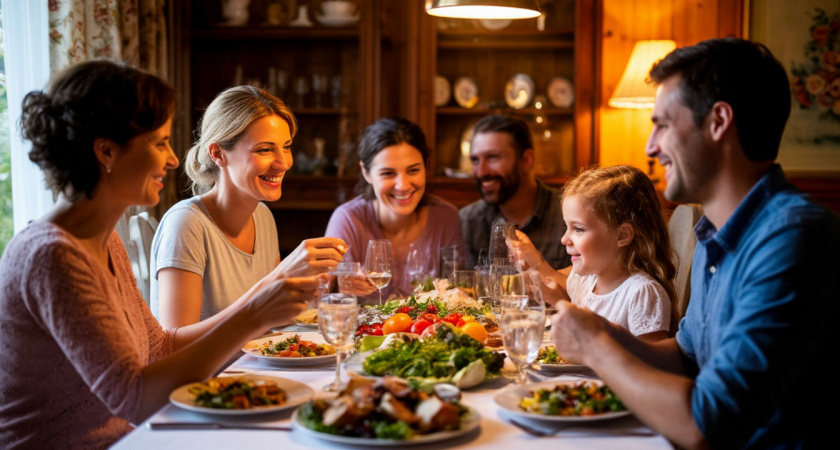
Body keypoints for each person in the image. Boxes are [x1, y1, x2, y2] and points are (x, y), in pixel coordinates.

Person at [0, 60, 320, 449]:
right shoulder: (51, 257)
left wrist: (265, 306)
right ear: (106, 152)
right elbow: (137, 400)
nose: (173, 159)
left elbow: (160, 347)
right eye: (159, 143)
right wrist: (257, 311)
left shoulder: (104, 240)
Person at [549, 38, 840, 449]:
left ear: (718, 121)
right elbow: (686, 357)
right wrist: (607, 332)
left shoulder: (793, 238)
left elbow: (707, 425)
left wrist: (596, 348)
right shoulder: (716, 234)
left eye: (663, 125)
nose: (651, 146)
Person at [150, 86, 346, 327]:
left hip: (253, 364)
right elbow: (174, 347)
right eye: (264, 149)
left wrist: (308, 290)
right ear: (218, 154)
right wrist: (281, 277)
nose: (283, 163)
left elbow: (270, 318)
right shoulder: (186, 225)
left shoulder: (262, 216)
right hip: (220, 367)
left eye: (286, 146)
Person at [513, 165, 676, 341]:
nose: (564, 239)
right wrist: (552, 294)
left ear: (622, 235)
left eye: (578, 229)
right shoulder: (584, 280)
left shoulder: (643, 293)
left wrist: (558, 301)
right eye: (566, 227)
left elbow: (650, 364)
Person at [325, 117, 465, 301]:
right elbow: (324, 298)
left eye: (413, 170)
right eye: (388, 173)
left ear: (426, 166)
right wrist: (337, 285)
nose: (403, 186)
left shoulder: (446, 217)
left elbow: (459, 292)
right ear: (366, 173)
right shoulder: (348, 220)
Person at [460, 114, 570, 270]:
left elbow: (587, 286)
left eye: (492, 157)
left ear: (526, 161)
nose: (481, 172)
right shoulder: (468, 222)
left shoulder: (567, 215)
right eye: (475, 160)